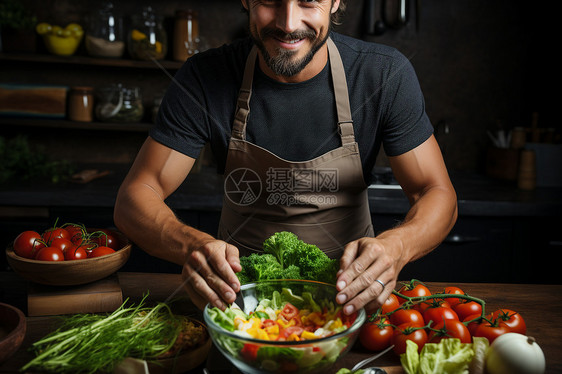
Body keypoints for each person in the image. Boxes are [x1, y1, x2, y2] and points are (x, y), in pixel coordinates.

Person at [114, 0, 457, 315]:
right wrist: (191, 245)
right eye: (270, 1)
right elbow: (135, 197)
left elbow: (436, 192)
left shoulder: (383, 75)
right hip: (239, 306)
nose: (289, 22)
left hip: (350, 305)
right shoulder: (204, 77)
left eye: (308, 1)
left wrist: (396, 247)